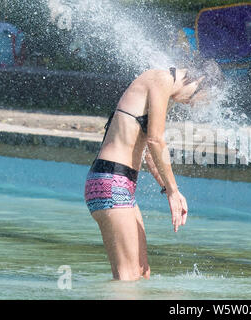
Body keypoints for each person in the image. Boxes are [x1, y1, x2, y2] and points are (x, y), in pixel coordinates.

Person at [84, 60, 224, 281]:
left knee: (142, 273)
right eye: (197, 100)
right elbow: (156, 140)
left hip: (120, 185)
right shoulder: (161, 79)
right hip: (111, 181)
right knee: (128, 278)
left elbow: (149, 153)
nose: (191, 105)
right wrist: (173, 191)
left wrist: (167, 188)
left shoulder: (164, 91)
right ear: (202, 81)